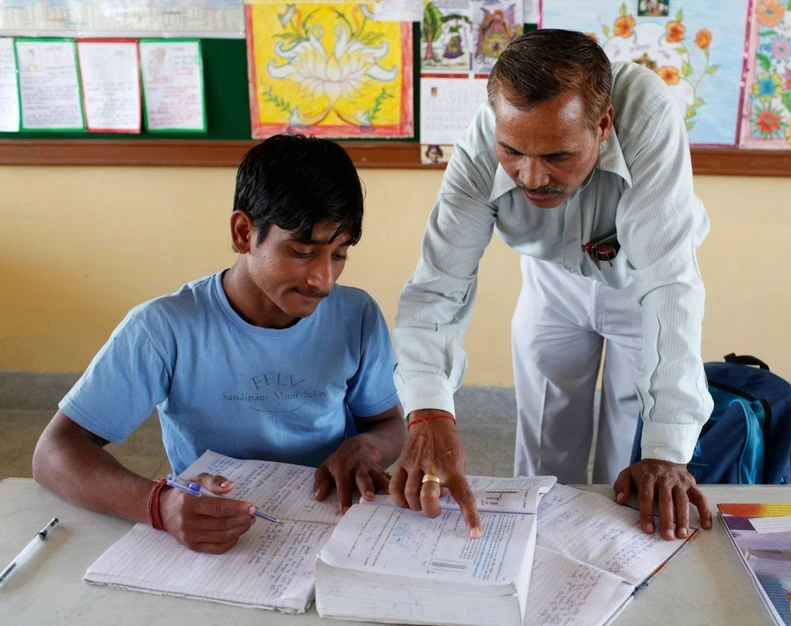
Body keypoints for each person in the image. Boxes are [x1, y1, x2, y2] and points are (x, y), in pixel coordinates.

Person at [391, 29, 714, 541]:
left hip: (639, 280)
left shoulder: (647, 112)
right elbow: (437, 288)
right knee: (546, 427)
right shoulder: (480, 144)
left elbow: (669, 284)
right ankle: (536, 553)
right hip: (551, 275)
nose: (532, 177)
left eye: (558, 156)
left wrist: (666, 452)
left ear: (602, 124)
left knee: (633, 444)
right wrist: (427, 410)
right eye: (513, 151)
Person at [32, 134, 405, 554]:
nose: (323, 279)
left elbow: (389, 424)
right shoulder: (164, 328)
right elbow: (54, 453)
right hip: (215, 531)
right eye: (302, 252)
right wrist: (160, 505)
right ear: (244, 232)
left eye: (339, 255)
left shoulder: (356, 316)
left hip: (329, 529)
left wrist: (366, 447)